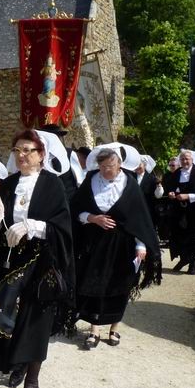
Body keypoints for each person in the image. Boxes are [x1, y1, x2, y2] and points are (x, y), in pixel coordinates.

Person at [0, 130, 74, 388]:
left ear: (41, 155)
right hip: (11, 260)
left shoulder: (52, 184)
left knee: (35, 321)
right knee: (7, 313)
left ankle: (32, 378)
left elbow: (62, 228)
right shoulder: (9, 184)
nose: (21, 156)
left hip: (41, 261)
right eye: (17, 151)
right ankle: (16, 363)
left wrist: (31, 226)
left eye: (28, 151)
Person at [72, 147, 161, 350]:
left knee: (119, 286)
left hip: (123, 245)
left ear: (119, 164)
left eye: (109, 167)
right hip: (95, 243)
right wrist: (93, 218)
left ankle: (114, 328)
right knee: (95, 285)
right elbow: (75, 209)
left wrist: (141, 246)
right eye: (102, 167)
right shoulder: (91, 180)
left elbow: (138, 218)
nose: (105, 171)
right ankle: (94, 330)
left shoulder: (130, 184)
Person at [163, 150, 195, 274]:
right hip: (179, 212)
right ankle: (183, 259)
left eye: (187, 159)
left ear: (192, 160)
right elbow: (169, 188)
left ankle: (192, 264)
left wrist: (188, 196)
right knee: (179, 237)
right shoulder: (177, 173)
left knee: (193, 238)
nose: (185, 161)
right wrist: (171, 193)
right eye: (183, 159)